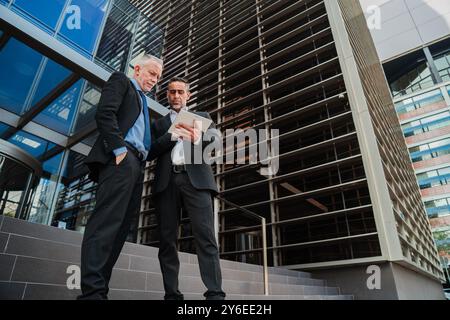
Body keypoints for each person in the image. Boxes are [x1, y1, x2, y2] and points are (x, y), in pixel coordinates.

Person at [78, 54, 163, 300]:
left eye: (158, 77)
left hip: (136, 165)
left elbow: (148, 146)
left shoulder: (143, 103)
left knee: (119, 231)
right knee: (105, 226)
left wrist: (173, 135)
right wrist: (119, 150)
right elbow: (105, 114)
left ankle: (99, 292)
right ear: (137, 69)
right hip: (121, 160)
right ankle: (92, 294)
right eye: (151, 73)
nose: (154, 80)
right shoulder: (121, 82)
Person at [148, 77, 226, 300]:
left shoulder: (202, 117)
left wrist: (200, 136)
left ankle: (215, 295)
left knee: (206, 237)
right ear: (167, 95)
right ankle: (172, 295)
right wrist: (172, 136)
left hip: (197, 182)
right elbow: (150, 151)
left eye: (180, 92)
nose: (176, 96)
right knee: (167, 241)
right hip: (167, 182)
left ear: (188, 95)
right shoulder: (159, 124)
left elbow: (217, 141)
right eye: (172, 92)